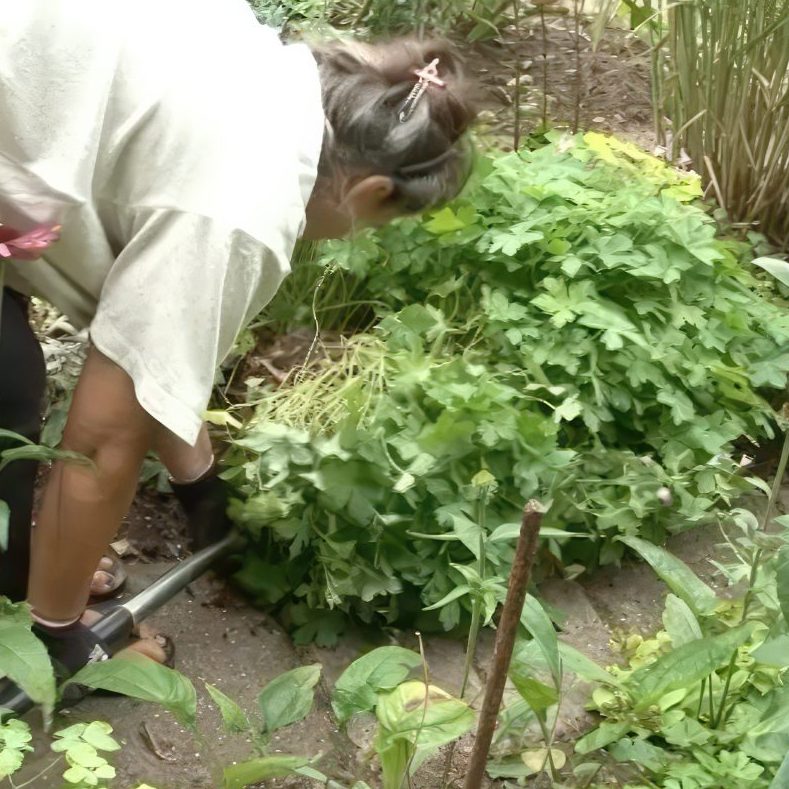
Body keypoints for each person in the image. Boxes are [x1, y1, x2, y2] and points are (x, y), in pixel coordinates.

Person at [0, 0, 476, 673]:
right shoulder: (247, 203)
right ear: (370, 192)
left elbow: (144, 342)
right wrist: (60, 633)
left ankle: (22, 576)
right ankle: (31, 640)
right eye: (379, 224)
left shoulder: (261, 66)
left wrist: (200, 483)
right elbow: (105, 437)